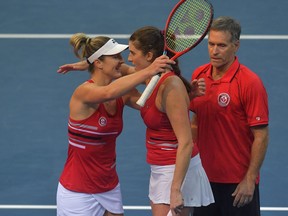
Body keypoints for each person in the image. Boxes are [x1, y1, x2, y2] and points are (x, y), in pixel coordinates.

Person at [57, 27, 214, 216]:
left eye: (128, 54)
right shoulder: (83, 93)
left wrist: (184, 96)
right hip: (78, 189)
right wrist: (150, 69)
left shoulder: (123, 94)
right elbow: (108, 91)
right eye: (116, 57)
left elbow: (156, 107)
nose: (124, 60)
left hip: (108, 186)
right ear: (99, 63)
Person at [128, 26, 214, 216]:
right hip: (160, 167)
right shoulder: (152, 78)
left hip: (175, 170)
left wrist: (176, 190)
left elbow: (186, 142)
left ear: (149, 55)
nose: (129, 58)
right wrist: (89, 63)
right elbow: (121, 70)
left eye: (133, 53)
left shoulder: (171, 86)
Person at [189, 16, 269, 216]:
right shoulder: (199, 75)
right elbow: (196, 121)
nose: (214, 51)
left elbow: (261, 136)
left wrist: (249, 179)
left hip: (236, 183)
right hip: (203, 180)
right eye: (211, 44)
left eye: (222, 45)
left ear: (236, 46)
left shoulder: (250, 82)